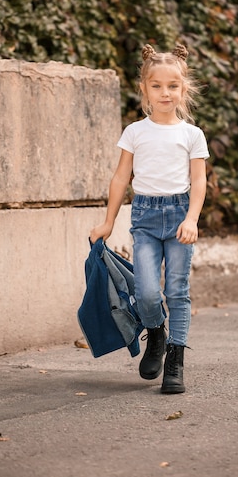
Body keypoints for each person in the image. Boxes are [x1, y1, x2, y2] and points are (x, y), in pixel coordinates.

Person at [90, 42, 209, 394]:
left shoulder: (191, 134)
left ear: (183, 88)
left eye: (173, 86)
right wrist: (109, 222)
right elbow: (119, 178)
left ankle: (175, 358)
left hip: (178, 217)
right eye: (156, 86)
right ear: (144, 88)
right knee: (145, 293)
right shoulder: (135, 132)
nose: (165, 93)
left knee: (176, 290)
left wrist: (192, 219)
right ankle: (156, 332)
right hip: (144, 216)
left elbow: (199, 181)